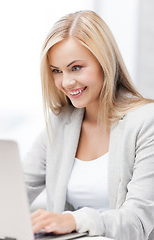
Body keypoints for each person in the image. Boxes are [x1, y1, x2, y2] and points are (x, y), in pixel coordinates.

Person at [22, 10, 154, 240]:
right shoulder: (61, 124)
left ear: (104, 62)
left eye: (76, 68)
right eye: (56, 71)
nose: (66, 82)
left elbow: (138, 221)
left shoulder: (146, 123)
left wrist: (74, 220)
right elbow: (15, 191)